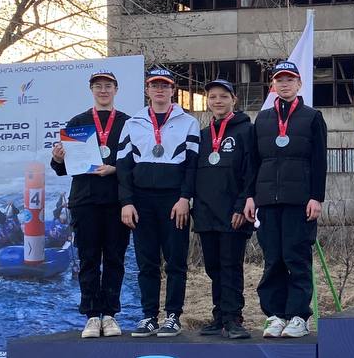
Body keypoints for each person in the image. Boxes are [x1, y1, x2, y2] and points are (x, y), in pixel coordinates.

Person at [245, 61, 327, 339]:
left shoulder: (312, 117)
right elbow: (253, 163)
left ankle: (298, 316)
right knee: (273, 260)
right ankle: (276, 315)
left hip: (299, 200)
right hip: (267, 200)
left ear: (299, 84)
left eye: (290, 79)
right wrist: (251, 196)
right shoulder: (263, 119)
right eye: (280, 80)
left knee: (296, 258)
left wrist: (316, 197)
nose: (285, 84)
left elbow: (319, 161)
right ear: (273, 85)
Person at [116, 66, 199, 338]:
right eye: (155, 85)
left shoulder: (188, 122)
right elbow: (123, 167)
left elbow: (192, 165)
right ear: (147, 90)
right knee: (147, 262)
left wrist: (185, 197)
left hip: (174, 201)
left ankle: (173, 316)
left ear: (173, 90)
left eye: (165, 85)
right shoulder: (133, 123)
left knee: (176, 261)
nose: (160, 90)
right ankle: (149, 316)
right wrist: (126, 202)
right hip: (142, 201)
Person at [50, 70, 131, 338]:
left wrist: (114, 169)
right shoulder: (78, 123)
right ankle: (92, 316)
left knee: (115, 259)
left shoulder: (128, 123)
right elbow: (64, 168)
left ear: (116, 90)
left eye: (108, 86)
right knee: (88, 259)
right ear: (91, 90)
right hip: (84, 201)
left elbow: (135, 163)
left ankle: (110, 314)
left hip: (117, 201)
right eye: (98, 86)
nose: (103, 90)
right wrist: (58, 158)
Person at [193, 78, 255, 340]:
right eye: (213, 97)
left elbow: (251, 172)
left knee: (231, 266)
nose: (218, 101)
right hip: (206, 213)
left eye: (223, 96)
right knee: (213, 268)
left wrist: (242, 205)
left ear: (233, 100)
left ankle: (233, 317)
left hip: (233, 213)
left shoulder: (246, 130)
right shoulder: (203, 135)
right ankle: (219, 315)